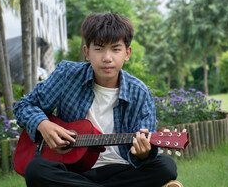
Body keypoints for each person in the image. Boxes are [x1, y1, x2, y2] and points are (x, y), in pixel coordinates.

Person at [13, 13, 181, 187]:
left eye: (115, 49)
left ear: (127, 53)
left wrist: (143, 153)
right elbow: (24, 106)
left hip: (120, 169)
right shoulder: (67, 75)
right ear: (87, 52)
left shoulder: (139, 92)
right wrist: (44, 125)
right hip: (73, 170)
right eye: (99, 48)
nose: (107, 58)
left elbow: (147, 153)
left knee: (166, 166)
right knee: (35, 170)